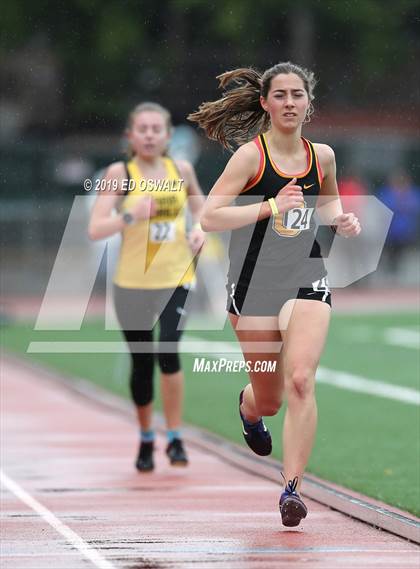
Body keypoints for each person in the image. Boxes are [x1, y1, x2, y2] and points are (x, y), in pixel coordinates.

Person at [188, 62, 360, 527]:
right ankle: (248, 409)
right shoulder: (250, 158)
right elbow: (209, 217)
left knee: (302, 379)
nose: (289, 103)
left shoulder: (321, 156)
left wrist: (342, 219)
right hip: (253, 286)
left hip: (307, 277)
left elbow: (327, 207)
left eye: (297, 95)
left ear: (309, 102)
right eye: (280, 95)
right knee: (271, 399)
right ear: (265, 103)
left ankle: (291, 490)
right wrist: (269, 206)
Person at [89, 102, 205, 472]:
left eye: (157, 129)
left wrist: (199, 230)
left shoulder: (181, 169)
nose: (151, 135)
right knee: (142, 363)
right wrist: (130, 215)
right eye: (143, 129)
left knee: (168, 352)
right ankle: (144, 436)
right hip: (132, 282)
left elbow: (202, 209)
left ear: (169, 136)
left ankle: (174, 436)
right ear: (131, 135)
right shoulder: (119, 172)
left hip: (176, 277)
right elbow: (95, 228)